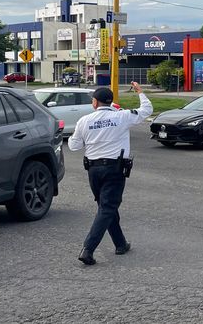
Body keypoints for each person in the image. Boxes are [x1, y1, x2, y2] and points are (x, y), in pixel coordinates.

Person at [68, 82, 152, 266]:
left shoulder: (84, 120)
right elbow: (146, 110)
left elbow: (74, 146)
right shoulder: (123, 116)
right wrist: (140, 91)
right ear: (110, 102)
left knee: (106, 206)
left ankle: (120, 243)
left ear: (95, 103)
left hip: (93, 170)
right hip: (114, 169)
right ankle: (88, 249)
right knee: (107, 207)